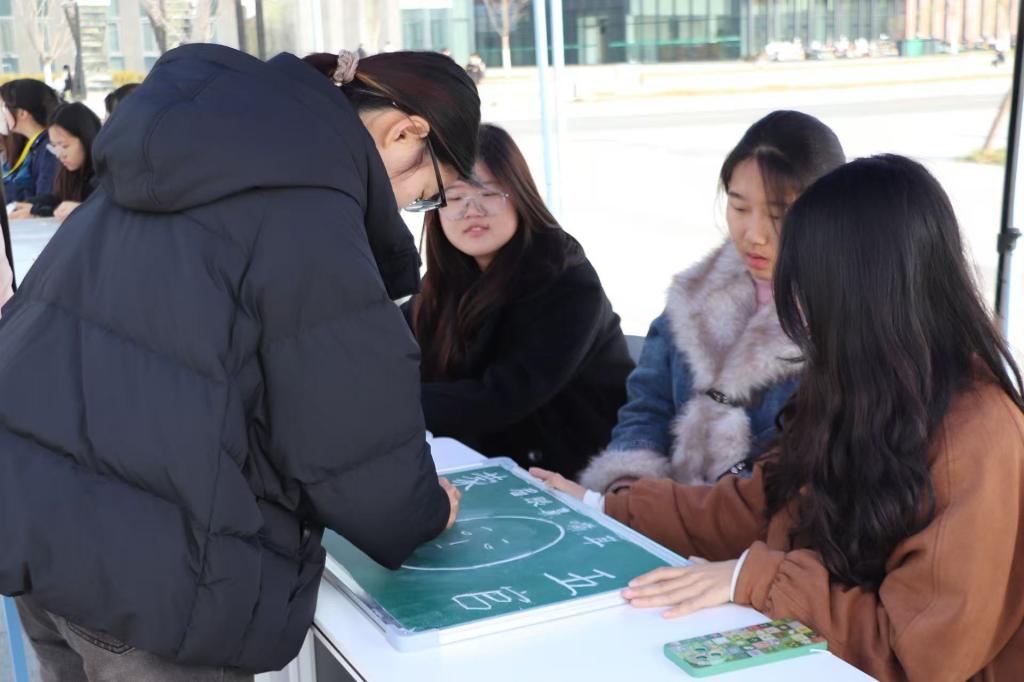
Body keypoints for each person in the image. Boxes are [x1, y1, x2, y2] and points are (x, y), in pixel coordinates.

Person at [0, 43, 479, 680]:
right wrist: (422, 510)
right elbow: (350, 423)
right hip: (153, 580)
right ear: (405, 131)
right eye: (424, 194)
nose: (406, 211)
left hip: (38, 522)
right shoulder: (307, 202)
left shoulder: (186, 152)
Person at [534, 154, 1024, 681]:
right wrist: (603, 506)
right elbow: (762, 504)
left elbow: (922, 654)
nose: (796, 308)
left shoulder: (976, 436)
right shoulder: (859, 382)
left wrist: (755, 579)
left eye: (808, 287)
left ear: (861, 293)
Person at [578, 111, 846, 494]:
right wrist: (626, 485)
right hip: (665, 514)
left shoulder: (847, 319)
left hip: (769, 523)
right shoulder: (691, 300)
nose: (754, 234)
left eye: (778, 214)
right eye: (739, 208)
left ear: (827, 214)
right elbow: (647, 409)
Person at [407, 123, 633, 478]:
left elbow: (502, 398)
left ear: (519, 195)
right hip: (484, 460)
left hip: (571, 474)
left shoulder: (567, 281)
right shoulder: (445, 282)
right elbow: (392, 345)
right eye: (455, 197)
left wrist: (389, 402)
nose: (471, 210)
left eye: (488, 193)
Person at [11, 102, 101, 220]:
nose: (59, 155)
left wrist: (38, 210)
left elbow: (99, 211)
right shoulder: (70, 173)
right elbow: (59, 199)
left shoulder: (105, 177)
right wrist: (32, 204)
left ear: (86, 141)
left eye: (64, 146)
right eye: (54, 146)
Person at [1, 79, 60, 205]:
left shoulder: (49, 149)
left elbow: (42, 200)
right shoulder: (34, 146)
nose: (2, 115)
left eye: (3, 108)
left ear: (22, 113)